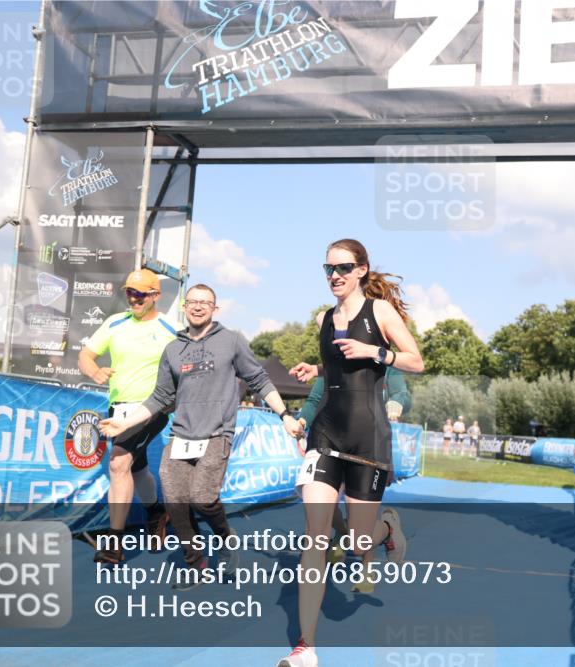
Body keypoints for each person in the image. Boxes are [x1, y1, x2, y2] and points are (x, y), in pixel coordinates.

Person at [100, 284, 302, 585]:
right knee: (175, 501)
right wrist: (124, 423)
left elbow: (259, 379)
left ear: (214, 309)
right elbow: (160, 396)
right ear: (184, 306)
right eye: (193, 301)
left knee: (203, 499)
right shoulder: (173, 349)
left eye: (205, 302)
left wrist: (285, 415)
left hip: (217, 434)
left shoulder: (232, 340)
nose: (198, 306)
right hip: (181, 436)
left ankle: (225, 539)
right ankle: (195, 564)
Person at [284, 239, 424, 667]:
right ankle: (306, 648)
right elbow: (339, 368)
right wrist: (317, 369)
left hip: (368, 438)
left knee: (360, 541)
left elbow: (416, 361)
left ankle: (387, 529)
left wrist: (374, 351)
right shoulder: (324, 318)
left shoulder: (380, 312)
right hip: (326, 434)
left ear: (362, 269)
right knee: (316, 536)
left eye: (343, 267)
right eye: (328, 268)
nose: (335, 275)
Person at [78, 269, 177, 564]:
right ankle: (157, 512)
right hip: (118, 408)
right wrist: (95, 371)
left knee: (119, 462)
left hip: (152, 408)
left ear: (156, 295)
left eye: (141, 294)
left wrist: (178, 397)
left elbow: (188, 366)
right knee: (136, 469)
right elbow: (85, 356)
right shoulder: (115, 322)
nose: (134, 299)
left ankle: (113, 544)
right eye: (130, 293)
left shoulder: (171, 328)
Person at [295, 365, 411, 576]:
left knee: (361, 531)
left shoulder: (384, 361)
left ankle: (385, 532)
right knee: (321, 506)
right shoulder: (334, 359)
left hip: (371, 446)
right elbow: (314, 400)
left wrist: (397, 401)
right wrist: (302, 422)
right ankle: (343, 534)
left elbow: (402, 394)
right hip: (329, 442)